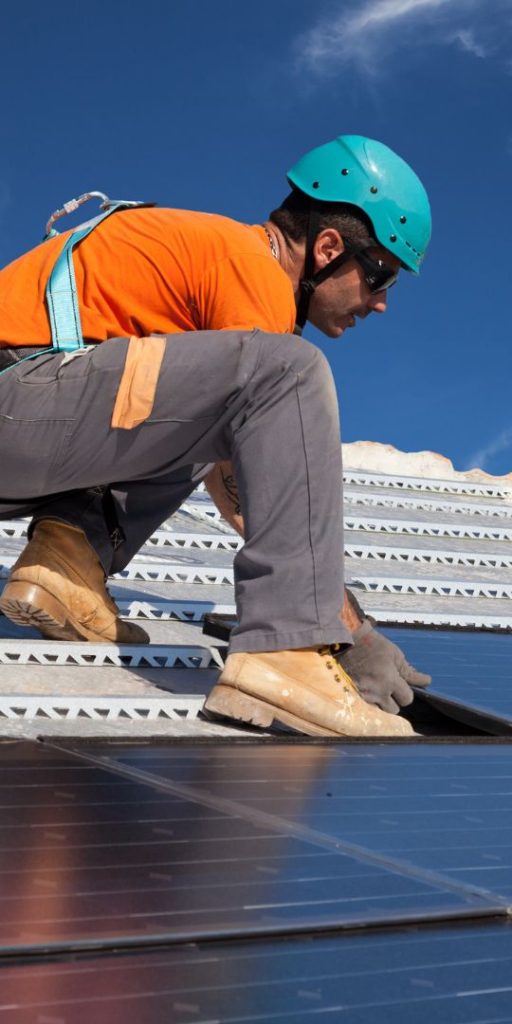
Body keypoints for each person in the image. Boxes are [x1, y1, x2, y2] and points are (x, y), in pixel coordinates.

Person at [0, 135, 433, 738]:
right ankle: (285, 654)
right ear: (329, 247)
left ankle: (67, 566)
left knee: (199, 422)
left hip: (30, 421)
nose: (381, 303)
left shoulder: (205, 258)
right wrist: (343, 627)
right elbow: (254, 481)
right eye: (380, 275)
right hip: (20, 403)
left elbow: (208, 447)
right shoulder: (251, 268)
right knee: (289, 372)